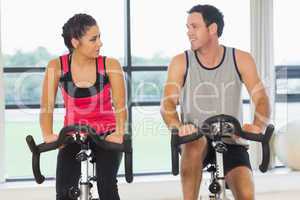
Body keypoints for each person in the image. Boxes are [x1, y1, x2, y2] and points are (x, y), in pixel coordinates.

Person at [161, 4, 270, 200]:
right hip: (194, 139)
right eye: (187, 28)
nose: (189, 33)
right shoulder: (180, 61)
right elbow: (167, 105)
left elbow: (261, 98)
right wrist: (178, 127)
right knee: (195, 143)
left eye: (194, 27)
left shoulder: (241, 59)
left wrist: (257, 125)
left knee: (246, 194)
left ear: (212, 29)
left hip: (231, 139)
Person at [40, 13, 127, 200]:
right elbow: (46, 106)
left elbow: (120, 105)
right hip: (73, 134)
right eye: (93, 39)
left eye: (100, 37)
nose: (100, 43)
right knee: (64, 192)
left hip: (106, 133)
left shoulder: (110, 64)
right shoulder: (56, 66)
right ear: (75, 42)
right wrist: (48, 134)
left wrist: (119, 132)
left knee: (107, 187)